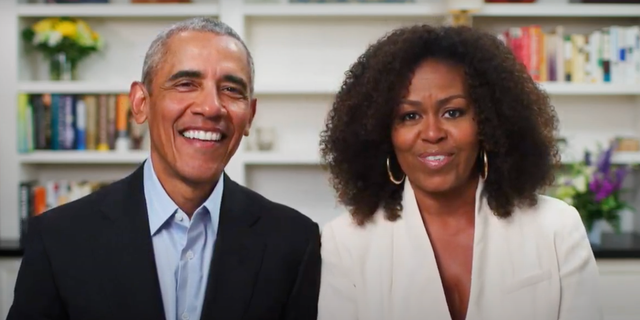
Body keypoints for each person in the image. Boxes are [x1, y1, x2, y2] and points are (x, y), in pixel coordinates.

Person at [8, 17, 321, 320]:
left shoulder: (294, 242)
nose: (211, 107)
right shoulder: (58, 238)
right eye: (186, 84)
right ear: (141, 103)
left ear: (250, 116)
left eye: (231, 90)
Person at [317, 24, 602, 320]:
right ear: (382, 134)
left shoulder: (557, 228)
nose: (432, 133)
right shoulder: (346, 242)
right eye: (409, 116)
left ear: (489, 123)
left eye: (452, 112)